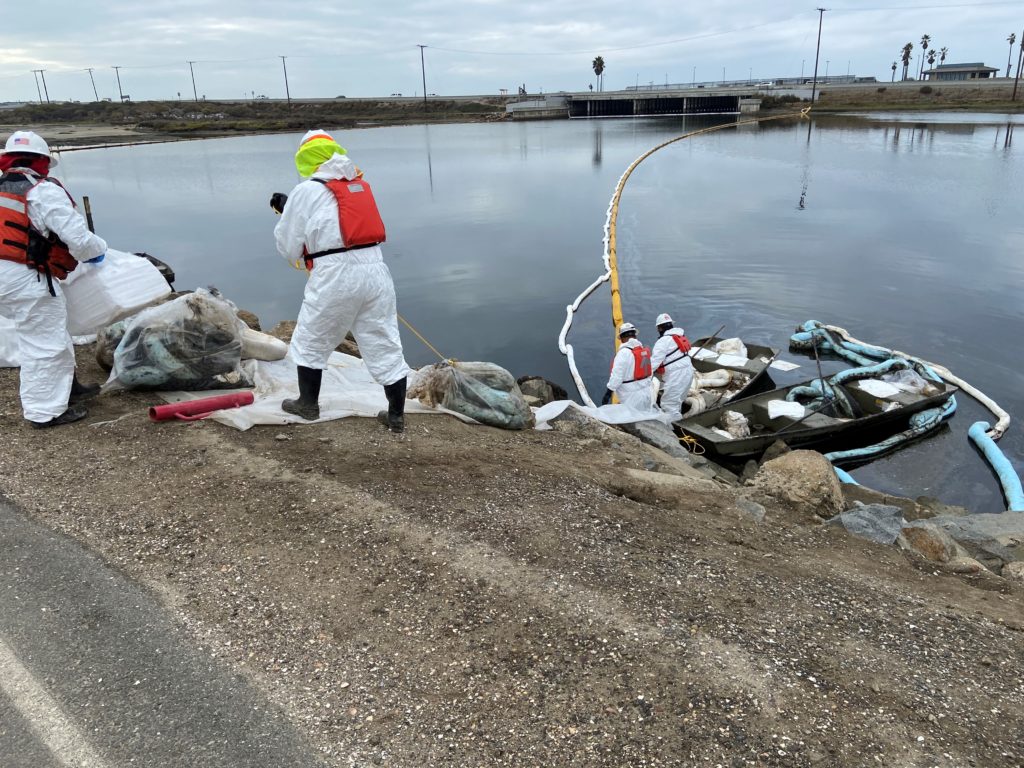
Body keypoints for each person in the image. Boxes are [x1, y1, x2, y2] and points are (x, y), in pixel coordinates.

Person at [271, 129, 411, 432]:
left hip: (336, 274)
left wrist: (285, 213)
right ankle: (396, 415)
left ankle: (307, 405)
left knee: (311, 338)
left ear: (305, 158)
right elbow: (336, 222)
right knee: (383, 340)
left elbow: (289, 246)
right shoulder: (359, 184)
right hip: (376, 271)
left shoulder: (305, 190)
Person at [0, 131, 107, 428]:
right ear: (43, 161)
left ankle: (68, 389)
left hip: (5, 277)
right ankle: (44, 412)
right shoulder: (42, 190)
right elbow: (79, 239)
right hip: (25, 278)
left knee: (52, 333)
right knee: (43, 343)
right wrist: (99, 253)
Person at [649, 312, 694, 420]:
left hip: (677, 375)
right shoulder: (680, 335)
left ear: (659, 328)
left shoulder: (662, 342)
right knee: (678, 401)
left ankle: (674, 431)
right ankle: (678, 419)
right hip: (688, 372)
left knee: (669, 405)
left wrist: (643, 378)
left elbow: (653, 363)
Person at [601, 322, 654, 410]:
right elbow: (649, 372)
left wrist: (608, 393)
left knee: (633, 421)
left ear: (621, 338)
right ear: (635, 336)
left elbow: (617, 376)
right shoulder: (643, 351)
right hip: (647, 393)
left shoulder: (623, 353)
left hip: (631, 398)